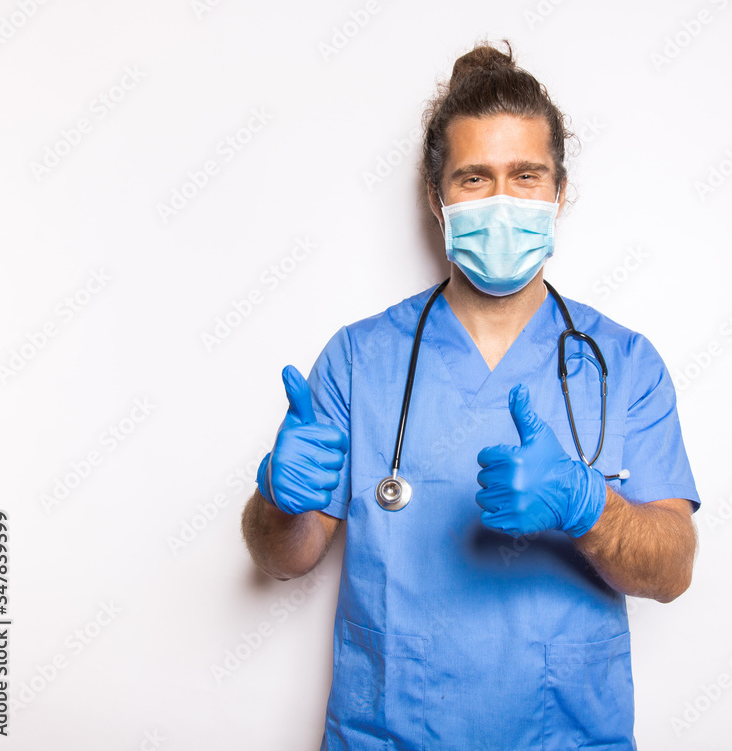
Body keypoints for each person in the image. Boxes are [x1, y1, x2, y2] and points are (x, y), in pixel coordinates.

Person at [241, 40, 700, 751]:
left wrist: (588, 505)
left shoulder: (623, 363)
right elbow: (282, 558)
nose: (504, 202)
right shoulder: (360, 360)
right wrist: (278, 499)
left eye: (526, 176)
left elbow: (672, 570)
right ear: (437, 198)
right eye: (475, 179)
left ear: (559, 192)